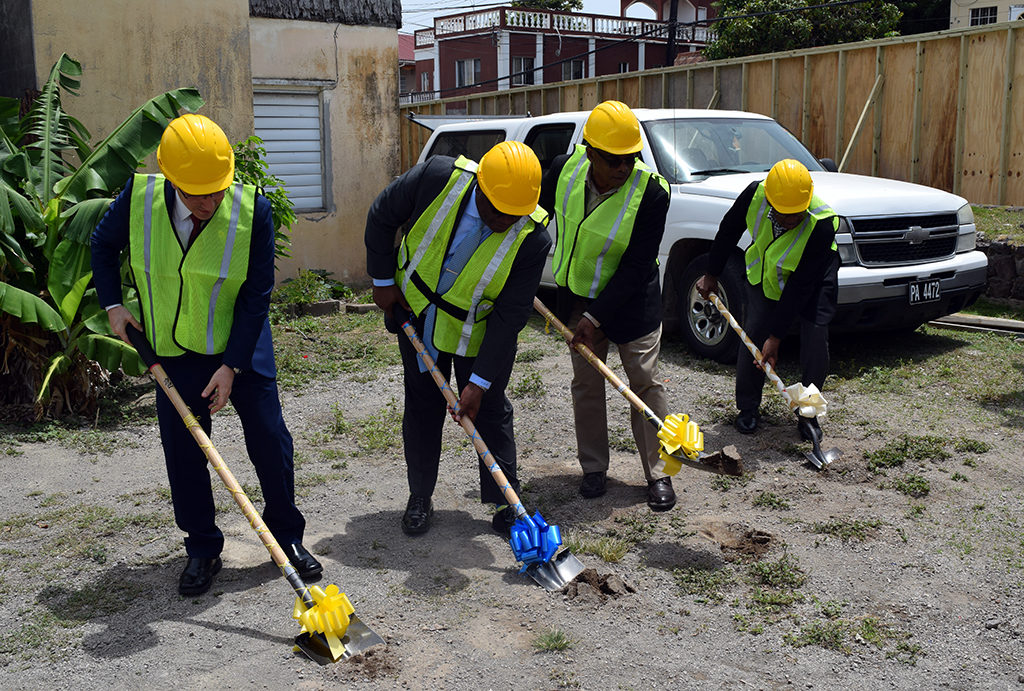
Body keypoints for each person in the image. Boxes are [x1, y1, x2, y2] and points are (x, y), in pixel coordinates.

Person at [91, 114, 321, 596]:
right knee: (185, 452)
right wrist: (113, 304)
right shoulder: (138, 200)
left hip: (241, 347)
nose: (209, 203)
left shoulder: (253, 210)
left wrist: (231, 366)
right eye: (197, 194)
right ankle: (202, 547)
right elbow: (102, 244)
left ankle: (287, 537)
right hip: (174, 351)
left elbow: (257, 294)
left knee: (271, 440)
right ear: (171, 177)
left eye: (217, 190)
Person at [364, 141, 551, 537]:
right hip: (417, 314)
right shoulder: (436, 178)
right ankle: (420, 496)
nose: (505, 220)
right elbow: (381, 215)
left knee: (491, 409)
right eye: (497, 210)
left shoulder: (533, 238)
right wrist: (383, 282)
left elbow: (510, 316)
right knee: (422, 404)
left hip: (478, 332)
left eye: (514, 214)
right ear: (480, 186)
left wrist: (478, 383)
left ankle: (506, 502)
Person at [538, 100, 675, 512]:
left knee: (645, 383)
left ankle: (659, 472)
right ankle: (594, 468)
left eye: (631, 158)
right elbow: (534, 218)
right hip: (576, 297)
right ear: (590, 152)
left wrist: (595, 317)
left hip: (633, 303)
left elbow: (636, 265)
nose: (623, 167)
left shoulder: (652, 193)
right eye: (614, 159)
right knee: (586, 385)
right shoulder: (563, 170)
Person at [696, 158, 839, 441]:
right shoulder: (754, 195)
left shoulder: (822, 223)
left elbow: (800, 286)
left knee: (815, 340)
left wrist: (777, 337)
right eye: (785, 214)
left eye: (797, 213)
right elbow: (729, 230)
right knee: (754, 336)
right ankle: (748, 408)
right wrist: (712, 273)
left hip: (813, 282)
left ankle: (808, 415)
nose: (792, 220)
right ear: (771, 201)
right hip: (765, 276)